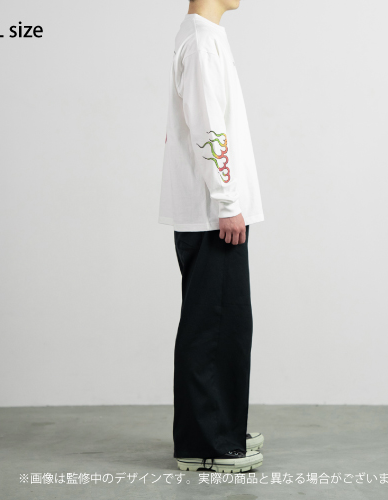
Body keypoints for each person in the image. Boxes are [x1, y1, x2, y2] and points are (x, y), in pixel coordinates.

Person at [158, 0, 265, 473]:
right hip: (212, 214)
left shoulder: (205, 36)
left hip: (213, 210)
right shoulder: (201, 41)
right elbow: (207, 128)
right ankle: (208, 444)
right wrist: (226, 201)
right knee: (214, 328)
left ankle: (222, 426)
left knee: (226, 325)